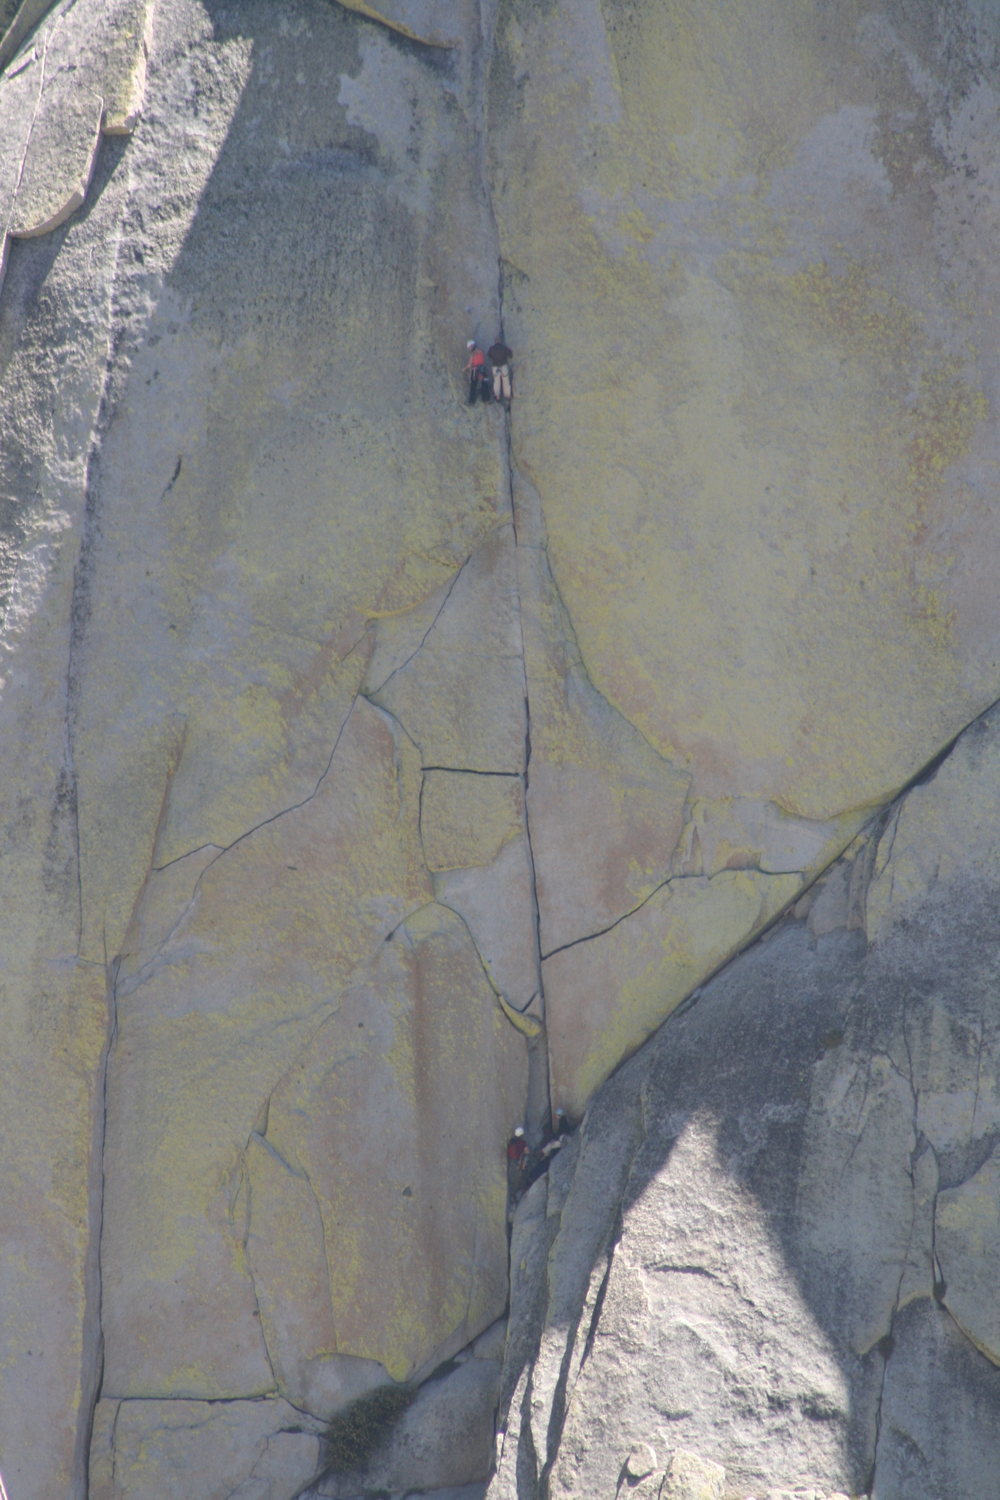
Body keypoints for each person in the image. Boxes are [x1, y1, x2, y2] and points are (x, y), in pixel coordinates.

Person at [488, 337, 512, 405]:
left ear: (495, 341)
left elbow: (489, 356)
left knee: (496, 381)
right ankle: (507, 395)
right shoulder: (504, 347)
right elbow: (510, 355)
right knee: (506, 381)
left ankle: (497, 396)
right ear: (500, 341)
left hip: (495, 367)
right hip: (503, 366)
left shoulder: (491, 348)